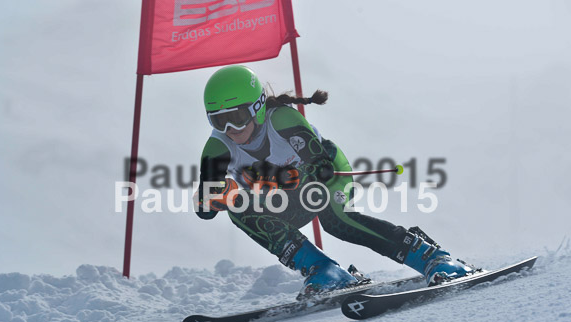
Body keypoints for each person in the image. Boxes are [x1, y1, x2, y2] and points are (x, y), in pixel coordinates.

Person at [195, 65, 472, 297]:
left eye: (237, 118)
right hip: (285, 198)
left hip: (329, 177)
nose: (230, 130)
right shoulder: (217, 148)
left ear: (256, 108)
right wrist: (216, 198)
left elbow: (320, 168)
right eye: (219, 121)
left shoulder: (282, 120)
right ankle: (324, 270)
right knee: (238, 210)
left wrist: (273, 181)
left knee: (335, 220)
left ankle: (431, 256)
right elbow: (204, 209)